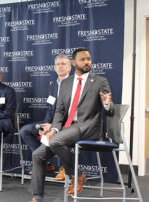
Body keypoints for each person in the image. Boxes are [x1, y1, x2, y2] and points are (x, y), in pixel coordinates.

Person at [29, 48, 115, 202]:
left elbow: (110, 112)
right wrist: (54, 128)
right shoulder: (66, 83)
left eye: (89, 59)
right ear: (74, 63)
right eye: (82, 59)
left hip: (88, 127)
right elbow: (60, 110)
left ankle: (77, 175)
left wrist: (107, 104)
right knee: (37, 155)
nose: (87, 62)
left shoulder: (100, 81)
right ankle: (38, 196)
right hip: (66, 128)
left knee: (55, 141)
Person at [20, 54, 71, 179]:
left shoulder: (74, 84)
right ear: (54, 68)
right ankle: (45, 163)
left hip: (68, 124)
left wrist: (54, 126)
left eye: (63, 64)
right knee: (25, 130)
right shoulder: (53, 85)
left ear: (70, 68)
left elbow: (72, 110)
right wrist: (46, 123)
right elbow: (50, 107)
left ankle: (65, 167)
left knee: (59, 136)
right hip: (51, 123)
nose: (60, 66)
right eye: (58, 64)